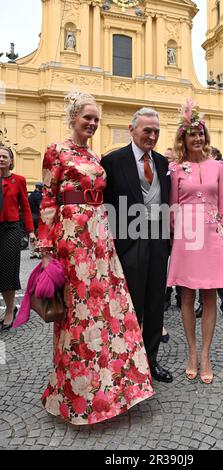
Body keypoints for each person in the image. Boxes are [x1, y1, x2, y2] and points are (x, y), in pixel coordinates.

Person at [36, 92, 154, 425]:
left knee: (109, 313)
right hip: (71, 239)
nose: (92, 123)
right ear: (73, 117)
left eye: (96, 119)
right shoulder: (55, 151)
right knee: (78, 317)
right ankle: (75, 394)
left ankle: (114, 387)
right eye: (87, 117)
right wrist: (45, 251)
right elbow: (47, 199)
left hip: (101, 238)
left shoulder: (94, 155)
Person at [102, 108, 173, 383]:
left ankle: (151, 361)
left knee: (156, 304)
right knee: (128, 304)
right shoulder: (112, 161)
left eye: (156, 131)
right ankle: (125, 363)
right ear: (132, 130)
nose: (152, 136)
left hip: (157, 242)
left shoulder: (163, 163)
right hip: (127, 242)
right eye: (147, 130)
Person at [167, 100, 223, 384]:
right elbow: (172, 205)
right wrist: (173, 238)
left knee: (209, 296)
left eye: (201, 133)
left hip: (213, 234)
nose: (197, 138)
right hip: (187, 235)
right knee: (186, 295)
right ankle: (191, 352)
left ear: (206, 137)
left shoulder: (218, 166)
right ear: (184, 137)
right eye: (191, 134)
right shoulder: (176, 168)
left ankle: (206, 354)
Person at [195, 147, 223, 324]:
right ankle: (202, 304)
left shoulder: (218, 168)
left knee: (219, 273)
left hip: (214, 228)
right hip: (195, 231)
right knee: (198, 272)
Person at [0, 144, 35, 331]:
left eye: (5, 156)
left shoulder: (19, 180)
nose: (1, 159)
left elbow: (26, 208)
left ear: (11, 161)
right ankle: (11, 306)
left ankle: (9, 309)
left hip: (11, 230)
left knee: (7, 270)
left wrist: (30, 231)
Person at [28, 182, 43, 258]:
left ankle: (32, 253)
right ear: (40, 187)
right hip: (37, 217)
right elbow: (40, 206)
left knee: (31, 234)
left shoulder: (30, 195)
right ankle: (39, 253)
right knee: (38, 234)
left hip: (31, 217)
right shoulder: (39, 195)